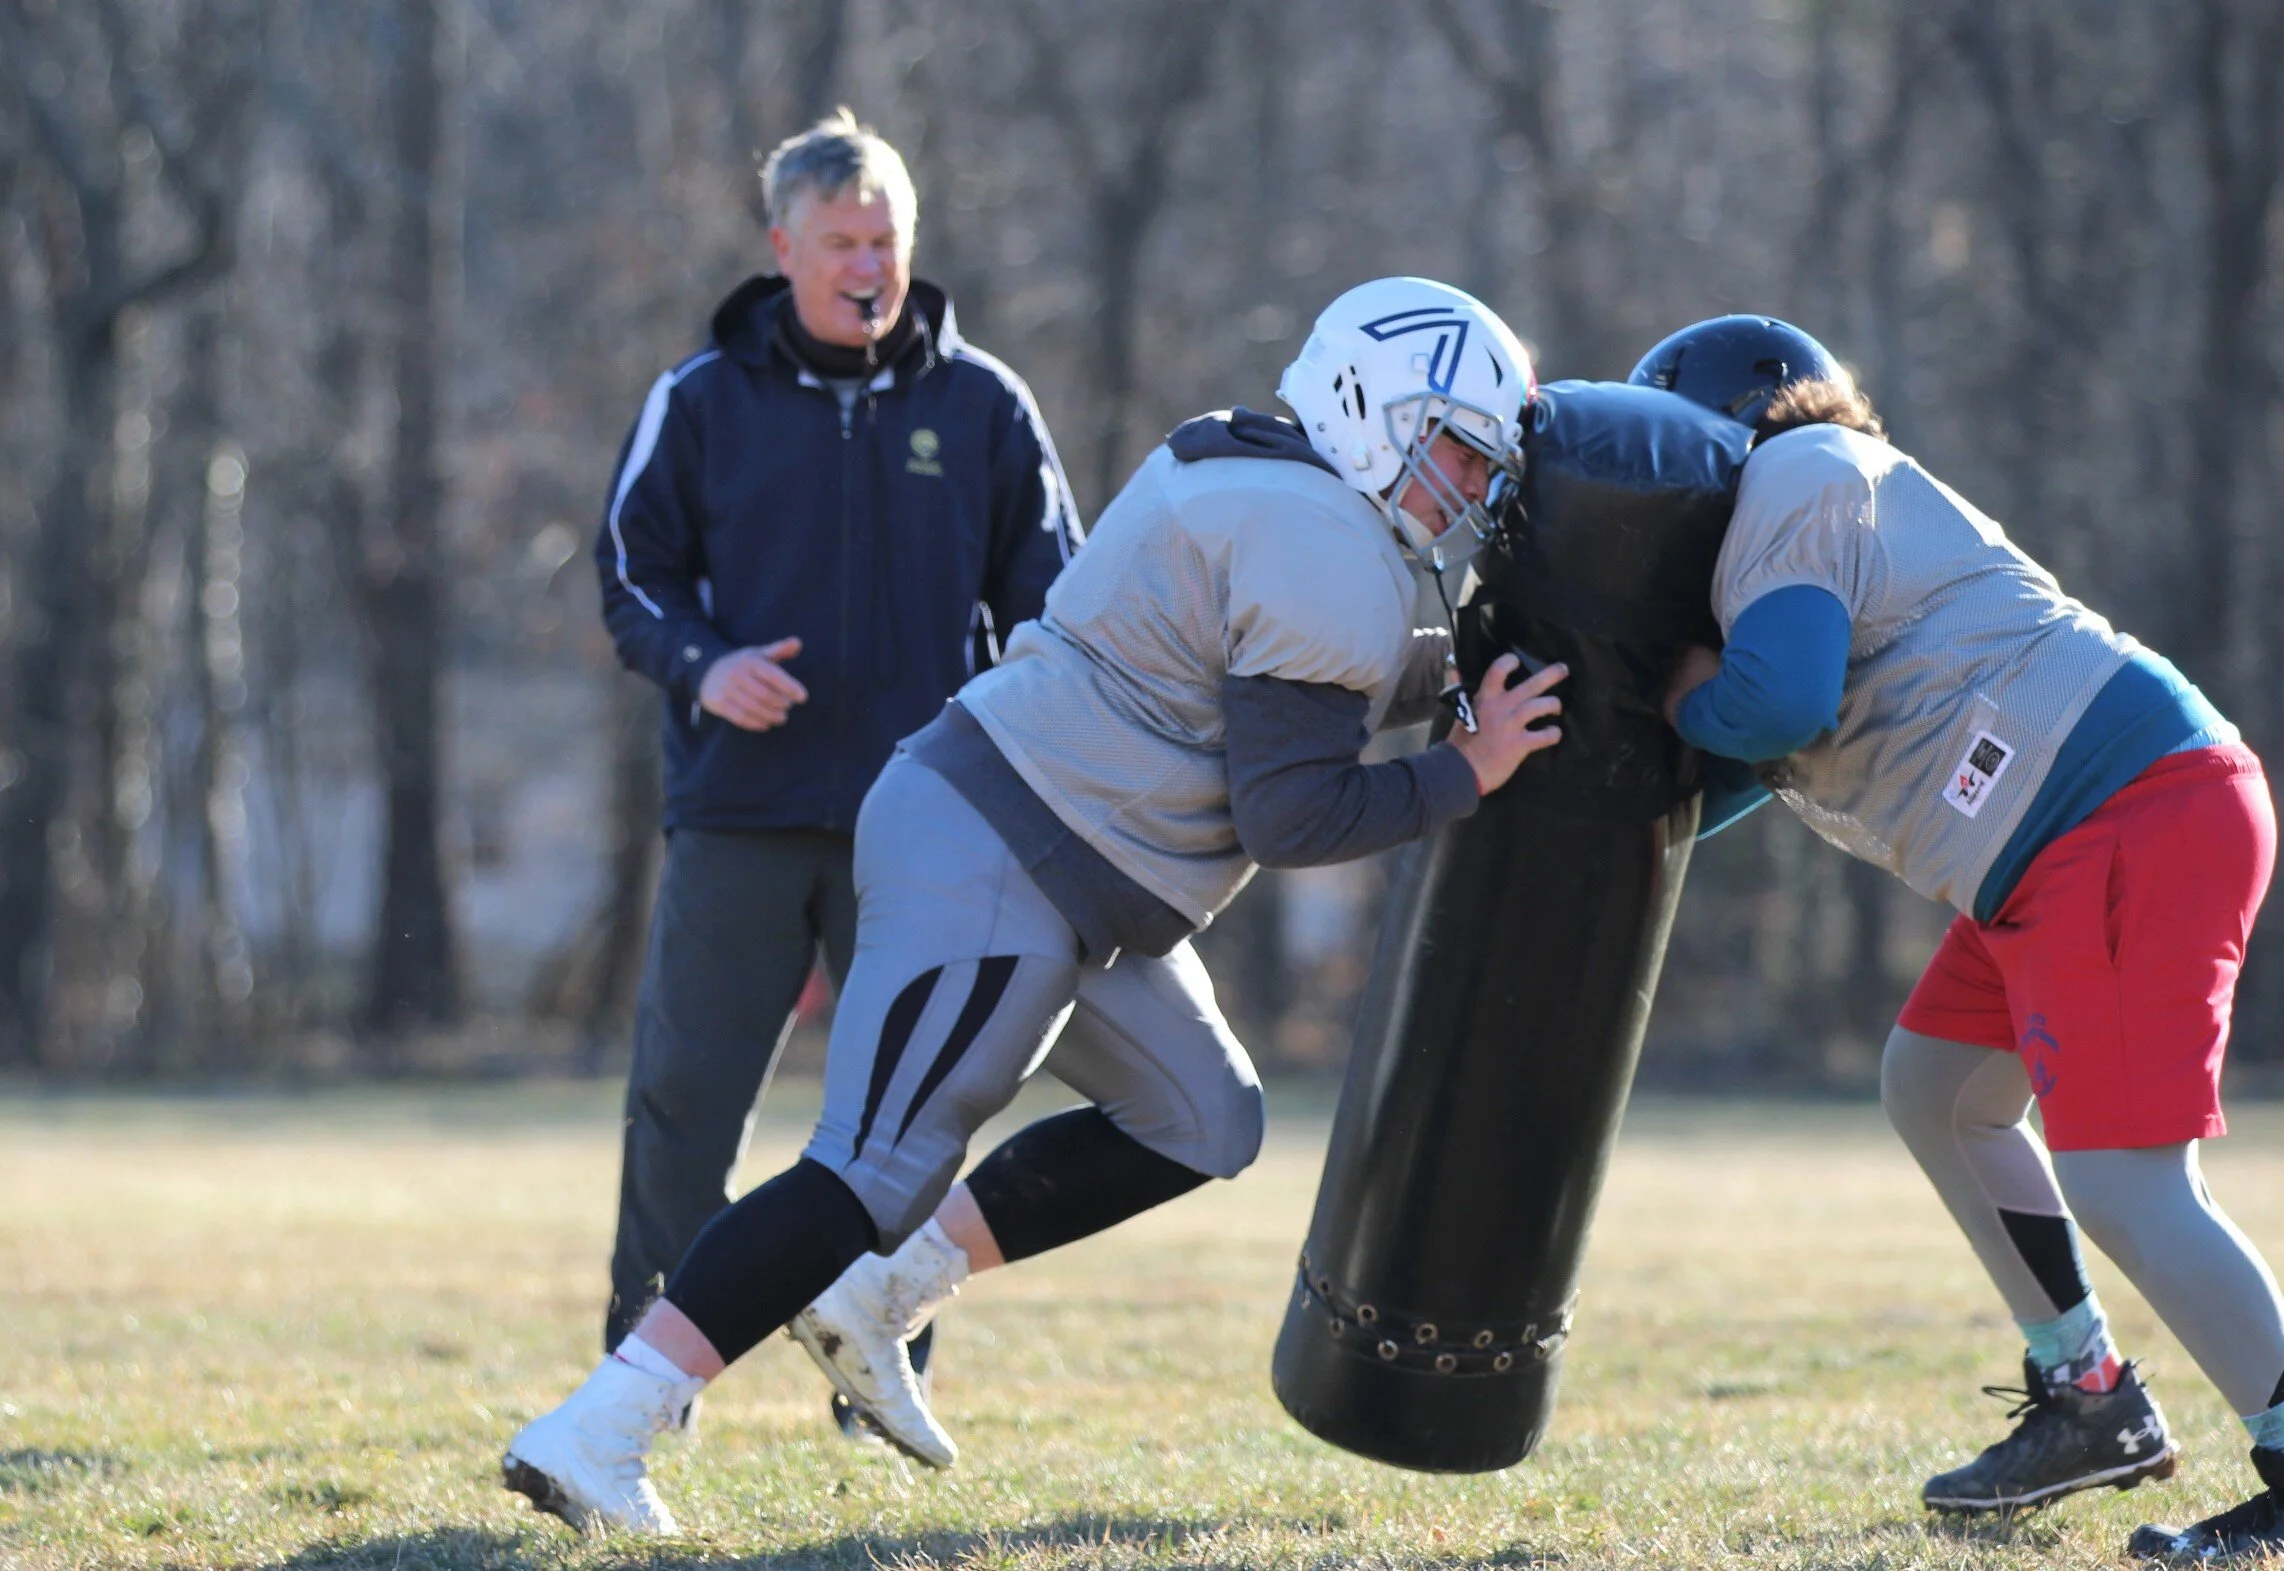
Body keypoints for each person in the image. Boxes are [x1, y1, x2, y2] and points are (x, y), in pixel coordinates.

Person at [502, 276, 1569, 1535]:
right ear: (1370, 406)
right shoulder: (1322, 541)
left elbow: (1299, 680)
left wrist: (1448, 693)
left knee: (1200, 1114)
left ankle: (879, 1294)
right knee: (871, 1165)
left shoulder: (1244, 460)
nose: (1465, 482)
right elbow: (1294, 813)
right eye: (1452, 444)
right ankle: (601, 1424)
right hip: (1002, 846)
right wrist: (1468, 767)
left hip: (1078, 867)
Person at [1644, 315, 2284, 1561]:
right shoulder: (1823, 511)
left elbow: (1771, 702)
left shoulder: (1795, 472)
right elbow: (1759, 749)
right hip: (2067, 827)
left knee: (2123, 1177)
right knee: (1934, 1088)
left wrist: (1674, 697)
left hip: (2110, 809)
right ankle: (2086, 1396)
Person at [590, 106, 1080, 1397]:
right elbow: (631, 579)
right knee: (684, 1106)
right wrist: (708, 665)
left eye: (887, 238)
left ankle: (885, 1371)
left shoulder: (985, 405)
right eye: (841, 240)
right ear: (783, 247)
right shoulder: (699, 400)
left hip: (926, 830)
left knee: (911, 1127)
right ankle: (638, 1379)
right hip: (739, 815)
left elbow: (1057, 609)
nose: (869, 264)